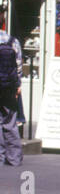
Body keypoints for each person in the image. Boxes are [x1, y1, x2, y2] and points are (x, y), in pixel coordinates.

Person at [0, 30, 22, 167]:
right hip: (9, 87)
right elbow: (18, 65)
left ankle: (0, 158)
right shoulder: (12, 40)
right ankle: (14, 158)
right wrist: (18, 85)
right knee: (10, 122)